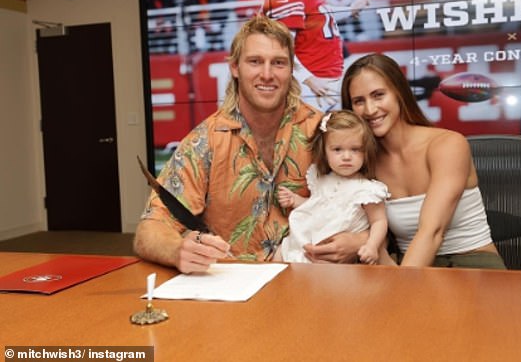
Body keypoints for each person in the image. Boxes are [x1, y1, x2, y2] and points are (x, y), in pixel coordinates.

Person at [134, 15, 367, 273]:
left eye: (278, 63)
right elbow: (150, 228)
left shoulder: (322, 132)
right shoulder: (206, 140)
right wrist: (177, 250)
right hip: (232, 291)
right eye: (255, 62)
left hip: (310, 284)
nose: (267, 74)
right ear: (235, 67)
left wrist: (359, 241)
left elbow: (369, 202)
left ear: (291, 69)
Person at [337, 53, 505, 269]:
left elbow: (432, 232)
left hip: (471, 264)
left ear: (399, 93)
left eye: (378, 95)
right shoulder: (364, 163)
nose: (370, 110)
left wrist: (404, 293)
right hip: (408, 265)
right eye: (359, 101)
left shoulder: (448, 144)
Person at [261, 0, 367, 111]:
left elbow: (320, 15)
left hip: (326, 78)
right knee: (305, 136)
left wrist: (350, 10)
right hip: (310, 83)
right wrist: (309, 79)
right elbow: (281, 49)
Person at [275, 110, 390, 264]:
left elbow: (379, 221)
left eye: (355, 149)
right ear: (325, 151)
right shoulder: (321, 179)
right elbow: (316, 207)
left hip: (332, 254)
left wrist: (371, 246)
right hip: (304, 243)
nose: (346, 156)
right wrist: (295, 200)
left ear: (366, 151)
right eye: (337, 150)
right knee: (280, 256)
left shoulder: (367, 190)